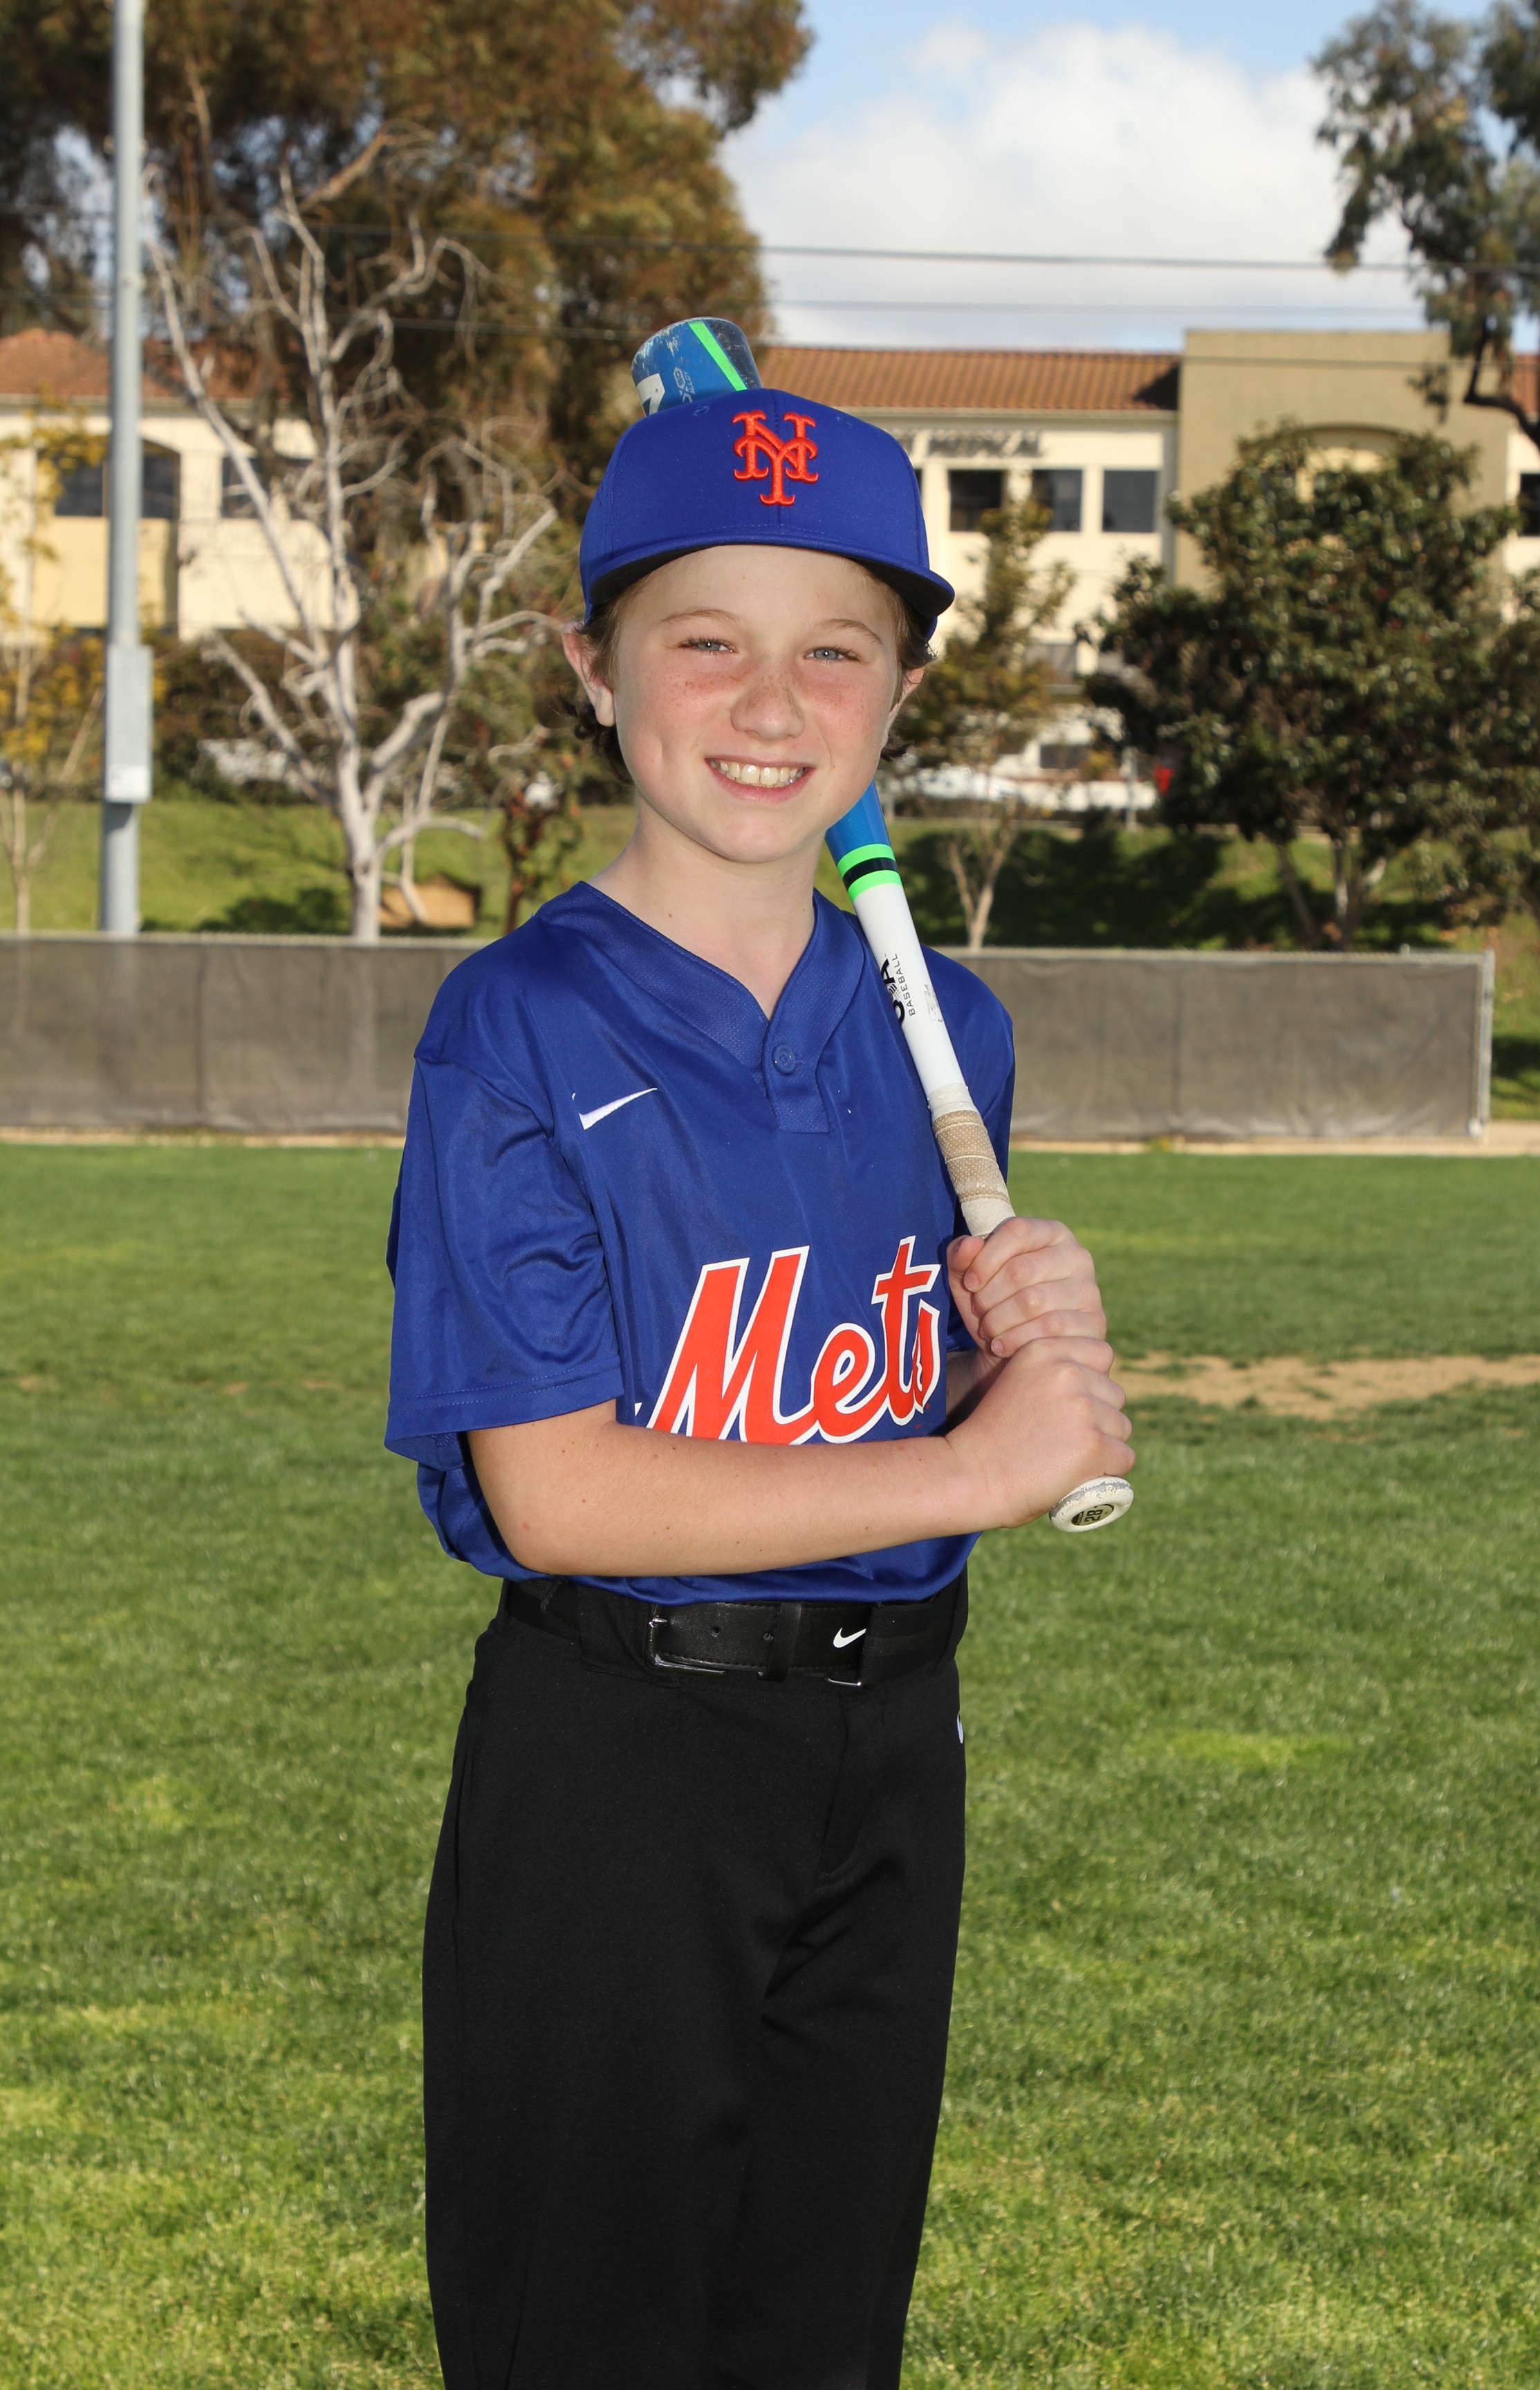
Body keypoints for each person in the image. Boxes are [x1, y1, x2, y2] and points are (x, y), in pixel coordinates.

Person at [384, 375, 1134, 2389]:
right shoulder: (517, 1024)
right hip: (623, 1757)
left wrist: (1018, 1327)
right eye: (705, 640)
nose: (772, 704)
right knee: (588, 2334)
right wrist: (975, 1473)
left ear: (902, 699)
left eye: (837, 652)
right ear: (593, 668)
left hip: (891, 1750)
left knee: (822, 2332)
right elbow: (561, 1492)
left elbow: (898, 1385)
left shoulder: (948, 1024)